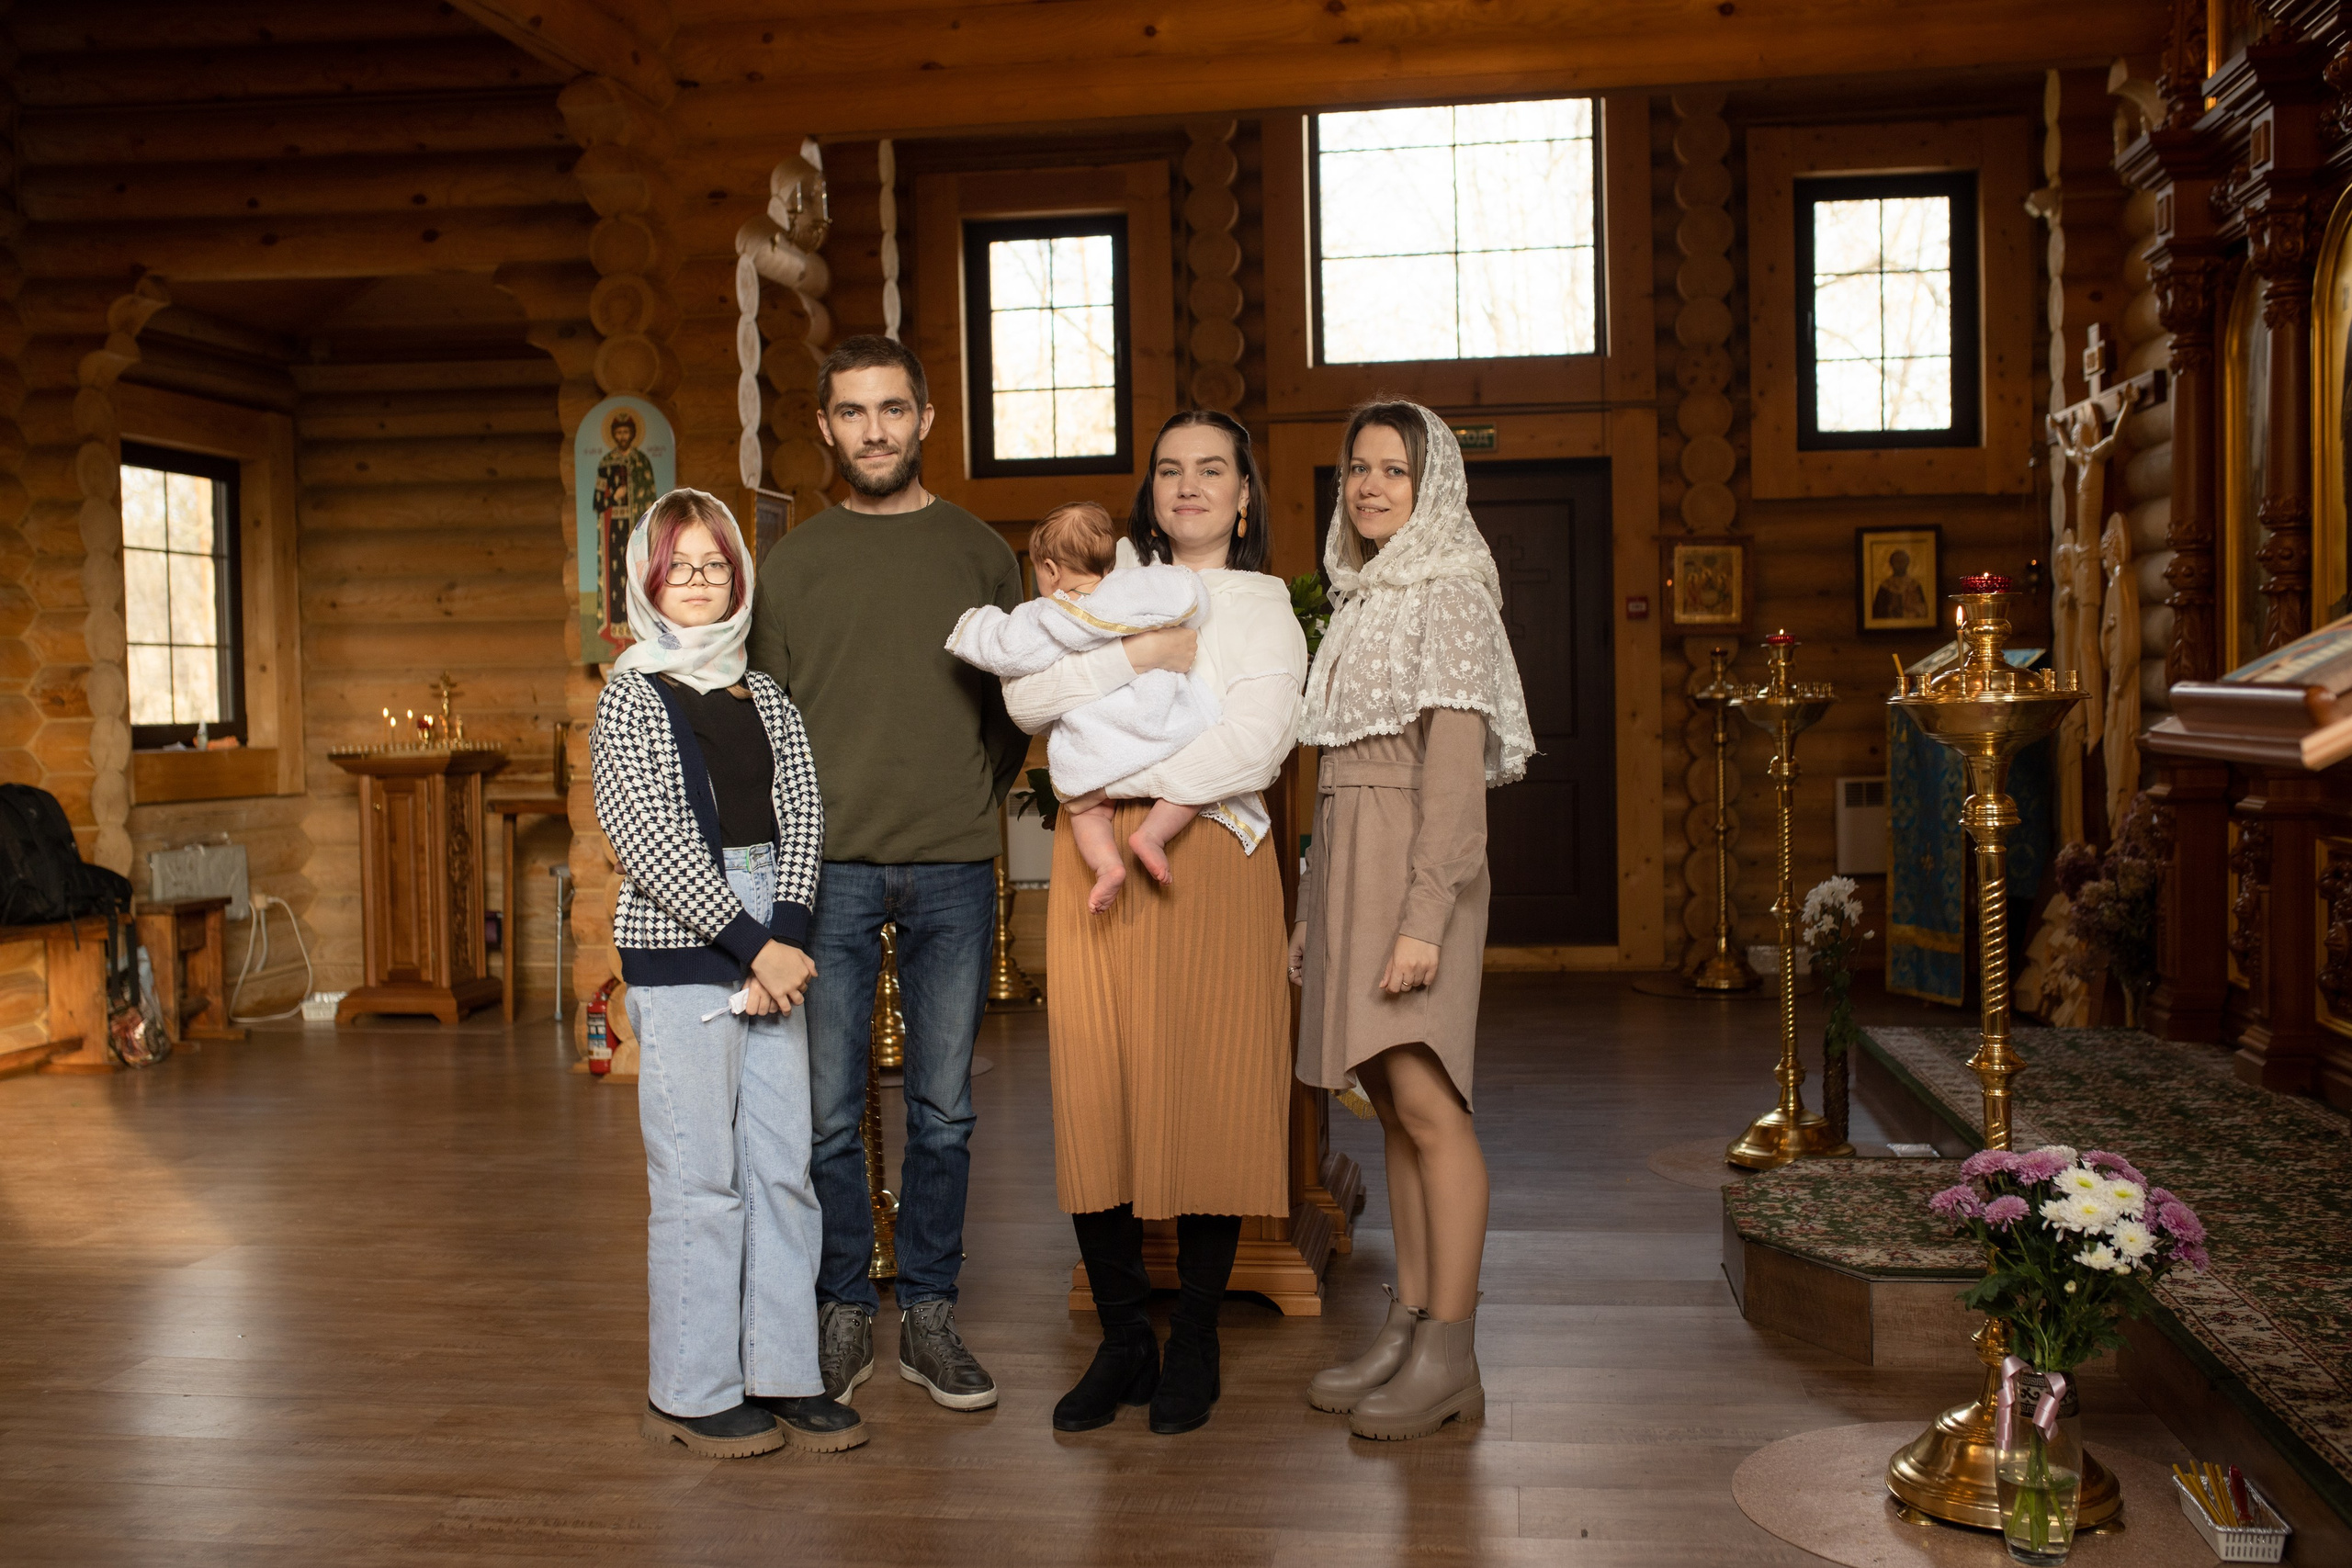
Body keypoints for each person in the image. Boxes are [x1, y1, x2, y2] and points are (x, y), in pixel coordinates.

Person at [1001, 411, 1307, 1437]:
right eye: (1170, 469)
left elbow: (1256, 745)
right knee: (1097, 1093)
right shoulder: (1101, 588)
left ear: (1243, 494)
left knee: (1211, 1088)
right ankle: (1125, 1337)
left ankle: (1198, 1342)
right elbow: (1026, 699)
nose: (1188, 486)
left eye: (1211, 469)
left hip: (1209, 853)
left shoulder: (1260, 603)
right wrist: (1137, 661)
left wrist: (1132, 778)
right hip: (1095, 856)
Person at [747, 336, 1024, 1416]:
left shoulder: (977, 551)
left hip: (954, 865)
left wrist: (966, 795)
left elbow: (1014, 710)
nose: (874, 429)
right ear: (825, 427)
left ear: (926, 418)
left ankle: (932, 1313)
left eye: (892, 409)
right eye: (853, 412)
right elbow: (765, 721)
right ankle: (840, 1308)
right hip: (829, 874)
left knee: (945, 1111)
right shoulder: (795, 565)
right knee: (825, 1113)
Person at [590, 488, 865, 1458]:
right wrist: (755, 947)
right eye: (681, 566)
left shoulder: (770, 698)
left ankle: (782, 1371)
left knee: (782, 1169)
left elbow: (802, 816)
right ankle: (695, 1385)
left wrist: (785, 936)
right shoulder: (630, 696)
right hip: (682, 952)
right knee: (701, 1177)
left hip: (774, 945)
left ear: (738, 576)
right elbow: (651, 844)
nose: (700, 583)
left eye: (716, 565)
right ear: (648, 580)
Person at [1292, 402, 1533, 1442]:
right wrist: (1314, 911)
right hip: (1352, 858)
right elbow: (1331, 782)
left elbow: (1451, 780)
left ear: (1433, 486)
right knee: (1388, 1102)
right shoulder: (1359, 595)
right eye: (1358, 468)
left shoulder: (1449, 595)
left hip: (1414, 867)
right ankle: (1408, 1321)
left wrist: (1423, 917)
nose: (1370, 485)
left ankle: (1453, 1352)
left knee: (1430, 1103)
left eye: (1395, 469)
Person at [948, 500, 1227, 913]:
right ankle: (1152, 835)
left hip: (1098, 745)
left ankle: (1107, 866)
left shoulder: (1047, 616)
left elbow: (1003, 645)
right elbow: (1190, 596)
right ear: (1109, 565)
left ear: (1050, 570)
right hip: (1158, 722)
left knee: (1087, 810)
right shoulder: (1135, 590)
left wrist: (973, 626)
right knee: (1190, 789)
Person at [1871, 548, 1929, 623]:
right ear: (1891, 563)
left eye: (1902, 561)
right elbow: (1878, 612)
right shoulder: (1885, 586)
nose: (1900, 564)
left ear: (1907, 563)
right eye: (1896, 561)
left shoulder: (1915, 585)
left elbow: (1923, 610)